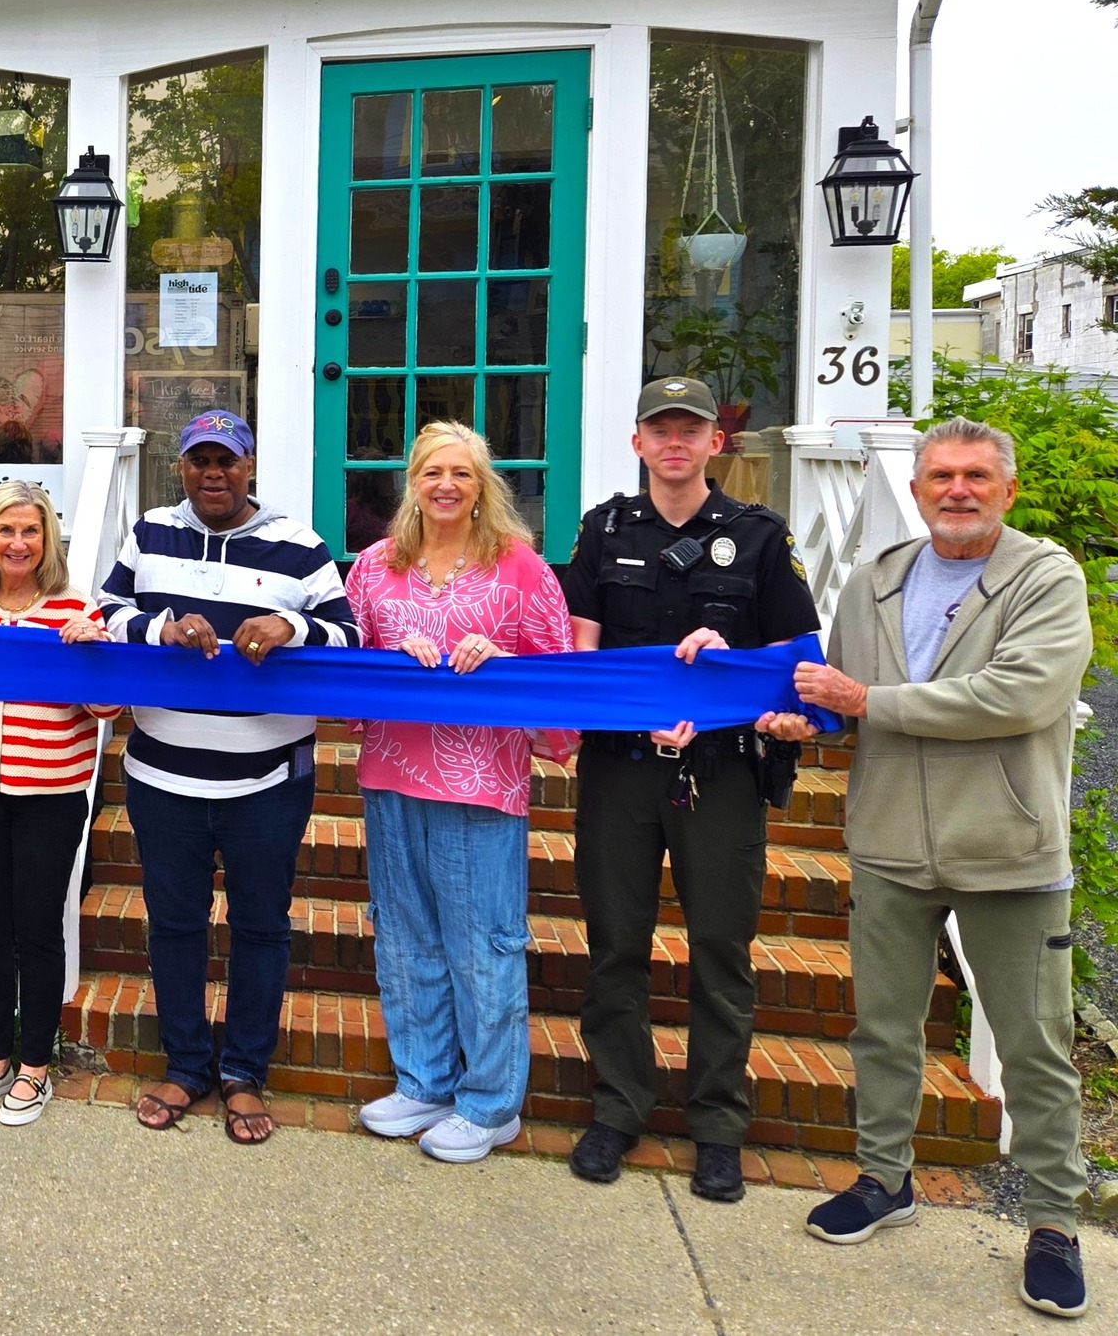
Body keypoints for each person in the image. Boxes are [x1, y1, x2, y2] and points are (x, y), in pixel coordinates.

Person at [776, 418, 1093, 1319]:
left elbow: (1019, 694)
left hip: (1007, 848)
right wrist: (805, 718)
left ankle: (1052, 1219)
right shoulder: (876, 578)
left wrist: (863, 701)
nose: (957, 489)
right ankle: (885, 1178)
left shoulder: (1044, 577)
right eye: (941, 476)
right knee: (882, 1025)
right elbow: (838, 691)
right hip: (888, 841)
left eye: (976, 476)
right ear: (915, 491)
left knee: (1033, 1043)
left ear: (1007, 490)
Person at [558, 376, 820, 1202]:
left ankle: (717, 1125)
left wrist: (724, 678)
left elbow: (798, 659)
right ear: (637, 441)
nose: (675, 442)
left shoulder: (759, 537)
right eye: (660, 428)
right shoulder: (603, 531)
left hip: (722, 773)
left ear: (718, 442)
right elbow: (583, 656)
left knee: (719, 951)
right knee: (616, 944)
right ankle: (619, 1106)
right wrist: (635, 714)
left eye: (691, 429)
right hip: (622, 770)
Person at [94, 409, 359, 1144]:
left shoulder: (299, 546)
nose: (213, 472)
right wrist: (162, 628)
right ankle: (186, 1063)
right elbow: (106, 612)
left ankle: (244, 1071)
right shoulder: (149, 531)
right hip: (162, 774)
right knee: (175, 923)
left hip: (267, 780)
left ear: (249, 467)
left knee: (260, 927)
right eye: (199, 460)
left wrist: (292, 627)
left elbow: (351, 636)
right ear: (181, 466)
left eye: (227, 460)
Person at [344, 423, 577, 1162]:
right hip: (392, 769)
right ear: (411, 481)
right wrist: (389, 659)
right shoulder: (376, 566)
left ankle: (491, 1101)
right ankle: (425, 1079)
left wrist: (501, 659)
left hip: (481, 780)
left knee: (483, 945)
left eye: (462, 473)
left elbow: (558, 669)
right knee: (407, 935)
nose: (446, 484)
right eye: (432, 471)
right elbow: (348, 663)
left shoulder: (520, 568)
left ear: (483, 487)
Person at [0, 481, 118, 1127]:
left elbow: (104, 709)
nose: (17, 542)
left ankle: (35, 1063)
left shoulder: (73, 605)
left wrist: (90, 652)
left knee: (38, 927)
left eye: (29, 531)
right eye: (5, 530)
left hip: (50, 793)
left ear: (47, 540)